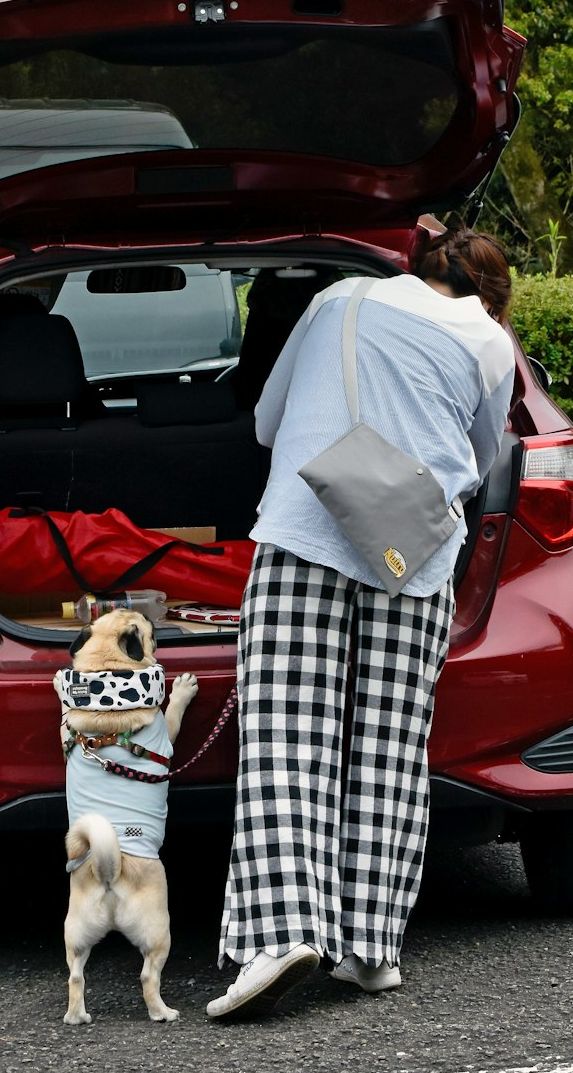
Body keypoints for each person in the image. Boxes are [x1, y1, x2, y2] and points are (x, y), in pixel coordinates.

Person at [206, 228, 515, 1021]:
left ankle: (281, 933)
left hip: (307, 528)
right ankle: (373, 947)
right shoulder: (490, 343)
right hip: (416, 547)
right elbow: (478, 462)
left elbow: (268, 424)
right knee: (390, 742)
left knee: (286, 731)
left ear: (417, 266)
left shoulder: (337, 299)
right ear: (489, 292)